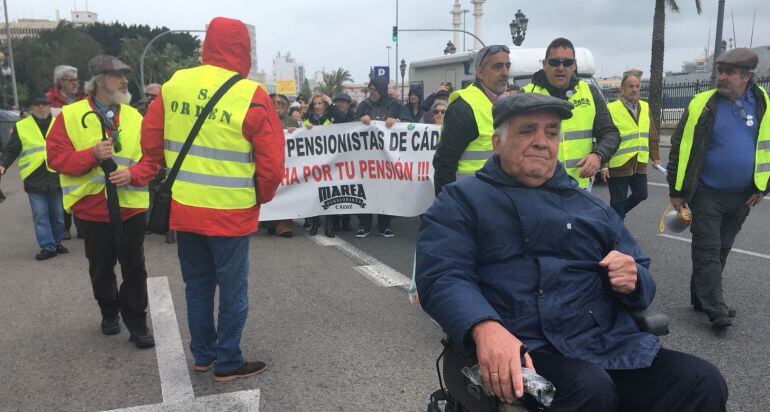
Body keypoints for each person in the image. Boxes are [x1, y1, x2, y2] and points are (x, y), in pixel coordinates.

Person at [416, 93, 728, 411]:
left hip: (600, 341)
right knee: (590, 389)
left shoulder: (591, 207)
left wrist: (633, 279)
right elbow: (442, 275)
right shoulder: (462, 201)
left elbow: (641, 276)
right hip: (522, 345)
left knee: (701, 381)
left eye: (551, 132)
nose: (541, 142)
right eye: (527, 130)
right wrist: (484, 327)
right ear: (497, 142)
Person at [140, 17, 285, 381]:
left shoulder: (175, 85)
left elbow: (151, 138)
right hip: (231, 213)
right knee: (233, 290)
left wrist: (160, 167)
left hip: (185, 210)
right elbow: (271, 163)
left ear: (207, 46)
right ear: (243, 50)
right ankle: (229, 360)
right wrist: (261, 196)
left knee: (198, 286)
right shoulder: (252, 94)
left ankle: (203, 356)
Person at [47, 55, 157, 349]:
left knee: (134, 267)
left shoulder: (134, 117)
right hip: (92, 210)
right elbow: (56, 159)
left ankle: (138, 324)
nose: (124, 81)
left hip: (130, 207)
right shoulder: (70, 116)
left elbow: (152, 160)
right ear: (98, 81)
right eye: (116, 76)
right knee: (101, 267)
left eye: (124, 75)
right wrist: (91, 155)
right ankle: (109, 311)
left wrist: (133, 174)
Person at [667, 47, 769, 329]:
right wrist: (676, 190)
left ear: (746, 76)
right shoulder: (702, 103)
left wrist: (763, 187)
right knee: (708, 249)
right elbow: (679, 147)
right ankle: (715, 307)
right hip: (706, 194)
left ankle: (701, 298)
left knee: (721, 248)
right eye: (720, 71)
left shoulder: (763, 104)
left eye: (729, 72)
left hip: (743, 195)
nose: (721, 77)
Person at [522, 37, 620, 189]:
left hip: (578, 186)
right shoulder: (526, 95)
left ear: (574, 65)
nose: (561, 67)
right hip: (539, 186)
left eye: (567, 63)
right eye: (555, 62)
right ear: (545, 64)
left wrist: (598, 156)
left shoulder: (589, 92)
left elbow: (611, 133)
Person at [432, 45, 510, 196]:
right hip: (469, 201)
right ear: (480, 72)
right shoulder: (463, 106)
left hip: (496, 198)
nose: (505, 73)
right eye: (498, 66)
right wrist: (448, 205)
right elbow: (444, 163)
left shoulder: (503, 104)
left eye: (507, 66)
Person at [0, 97, 67, 260]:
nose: (41, 108)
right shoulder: (22, 126)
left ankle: (57, 242)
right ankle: (48, 246)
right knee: (40, 214)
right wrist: (3, 164)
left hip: (56, 175)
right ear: (32, 108)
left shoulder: (59, 124)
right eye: (37, 105)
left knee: (58, 214)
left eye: (45, 105)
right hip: (33, 176)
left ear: (50, 107)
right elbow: (12, 149)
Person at [601, 69, 660, 219]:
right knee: (618, 201)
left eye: (637, 86)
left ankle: (613, 217)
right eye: (630, 86)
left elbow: (652, 134)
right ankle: (616, 224)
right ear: (622, 89)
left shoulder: (645, 107)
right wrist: (604, 164)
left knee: (641, 194)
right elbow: (604, 137)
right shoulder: (611, 109)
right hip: (618, 164)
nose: (634, 90)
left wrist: (656, 157)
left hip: (639, 162)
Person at [355, 76, 405, 238]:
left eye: (375, 90)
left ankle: (385, 225)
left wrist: (397, 121)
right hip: (367, 158)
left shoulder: (396, 105)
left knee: (386, 190)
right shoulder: (364, 106)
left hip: (387, 158)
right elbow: (351, 126)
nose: (372, 93)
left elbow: (410, 123)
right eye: (370, 90)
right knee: (366, 190)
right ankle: (364, 225)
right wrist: (360, 120)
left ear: (382, 90)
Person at [46, 64, 86, 239]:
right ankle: (64, 228)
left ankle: (82, 227)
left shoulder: (83, 98)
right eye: (71, 80)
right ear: (61, 81)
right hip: (60, 149)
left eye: (76, 80)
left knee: (82, 188)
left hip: (80, 147)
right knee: (63, 190)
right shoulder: (49, 100)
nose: (75, 83)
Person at [303, 93, 348, 237]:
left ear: (325, 105)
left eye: (320, 103)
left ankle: (330, 226)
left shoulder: (332, 117)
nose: (317, 106)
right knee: (314, 194)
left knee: (330, 194)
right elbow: (299, 133)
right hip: (313, 163)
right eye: (315, 104)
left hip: (330, 163)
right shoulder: (308, 119)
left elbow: (343, 119)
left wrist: (331, 102)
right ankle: (315, 223)